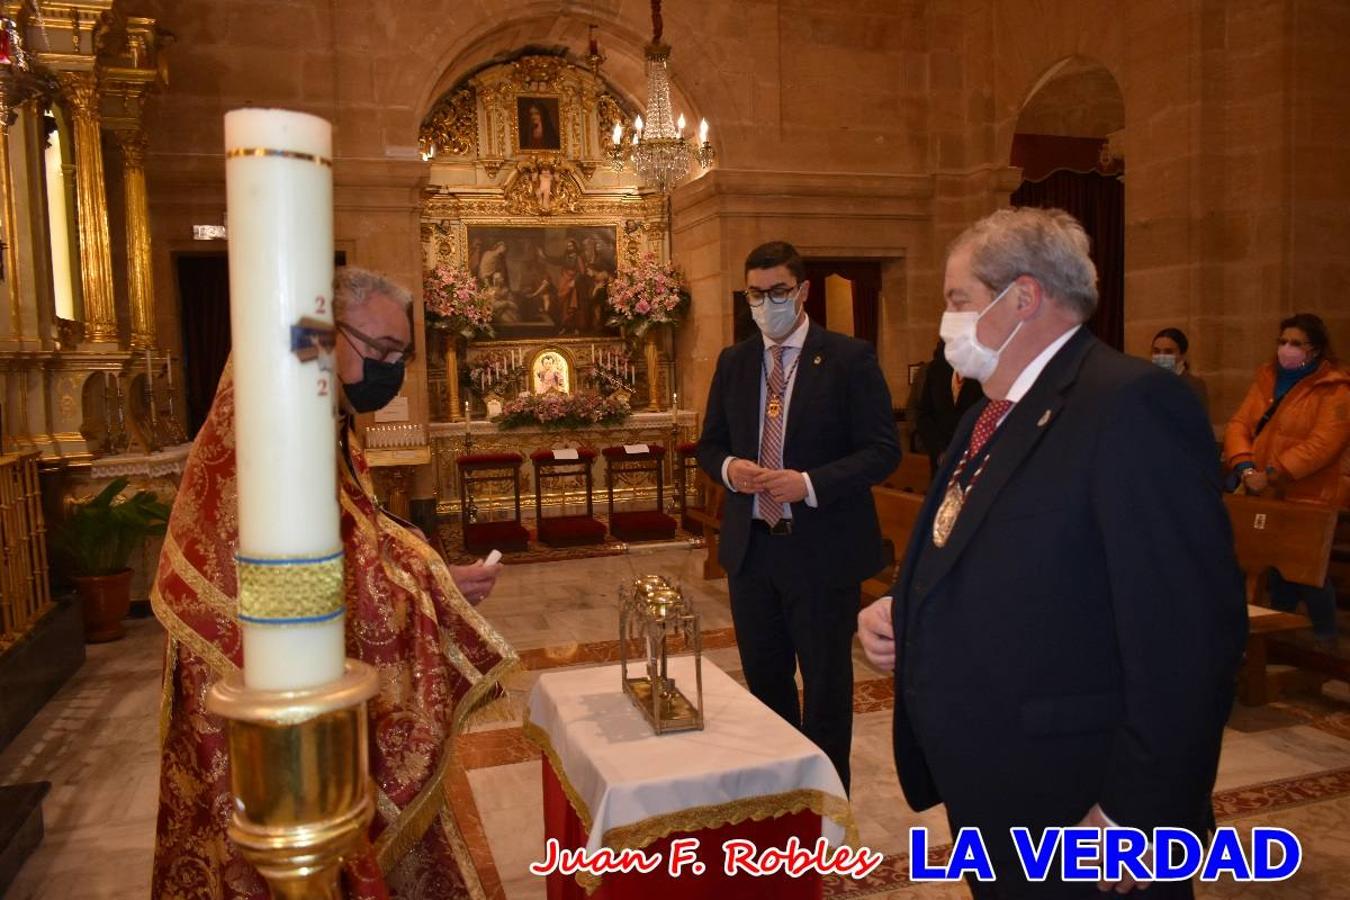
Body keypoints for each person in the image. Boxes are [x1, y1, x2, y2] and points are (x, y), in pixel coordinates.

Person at [857, 207, 1246, 898]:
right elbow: (984, 548)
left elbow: (1189, 632)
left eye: (959, 301)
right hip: (997, 784)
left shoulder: (1129, 405)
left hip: (1083, 804)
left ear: (1024, 298)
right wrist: (903, 609)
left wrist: (1142, 813)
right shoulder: (987, 414)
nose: (948, 321)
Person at [152, 267, 516, 899]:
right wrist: (432, 583)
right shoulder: (274, 419)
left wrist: (430, 575)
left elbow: (356, 531)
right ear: (327, 332)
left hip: (293, 672)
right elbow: (283, 573)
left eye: (401, 356)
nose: (390, 369)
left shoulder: (322, 411)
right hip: (253, 683)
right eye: (380, 352)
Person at [697, 240, 900, 791]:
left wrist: (808, 484)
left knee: (827, 686)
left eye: (778, 292)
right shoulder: (735, 361)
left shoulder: (847, 358)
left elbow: (882, 450)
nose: (766, 304)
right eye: (756, 294)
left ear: (803, 291)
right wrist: (731, 468)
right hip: (752, 548)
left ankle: (828, 803)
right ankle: (780, 796)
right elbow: (709, 445)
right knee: (766, 683)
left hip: (820, 550)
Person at [1223, 312, 1350, 646]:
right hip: (1264, 491)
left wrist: (1273, 473)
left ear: (1316, 349)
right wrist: (1246, 467)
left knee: (1306, 571)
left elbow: (1324, 444)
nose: (1286, 349)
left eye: (1296, 343)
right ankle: (1277, 643)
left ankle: (1325, 639)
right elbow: (1239, 425)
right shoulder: (1267, 378)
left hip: (1309, 493)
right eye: (1282, 341)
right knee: (1272, 567)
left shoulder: (1335, 389)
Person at [913, 339, 983, 467]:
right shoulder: (936, 369)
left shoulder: (982, 370)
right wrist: (939, 450)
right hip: (940, 457)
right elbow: (924, 413)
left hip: (973, 456)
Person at [1151, 327, 1209, 415]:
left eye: (1168, 352)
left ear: (1183, 355)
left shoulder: (1194, 385)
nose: (1161, 356)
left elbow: (1199, 422)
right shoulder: (1147, 382)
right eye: (1156, 351)